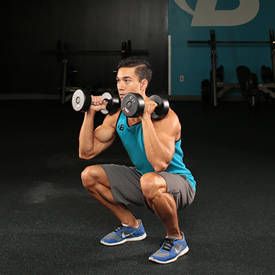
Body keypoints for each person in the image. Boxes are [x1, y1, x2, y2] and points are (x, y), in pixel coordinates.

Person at [79, 57, 196, 264]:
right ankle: (131, 226)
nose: (120, 87)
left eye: (127, 80)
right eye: (118, 81)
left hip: (178, 182)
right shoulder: (117, 116)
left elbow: (159, 164)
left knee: (150, 180)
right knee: (89, 175)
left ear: (143, 84)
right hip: (144, 178)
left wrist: (145, 117)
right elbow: (86, 152)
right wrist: (89, 112)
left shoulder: (166, 117)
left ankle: (176, 239)